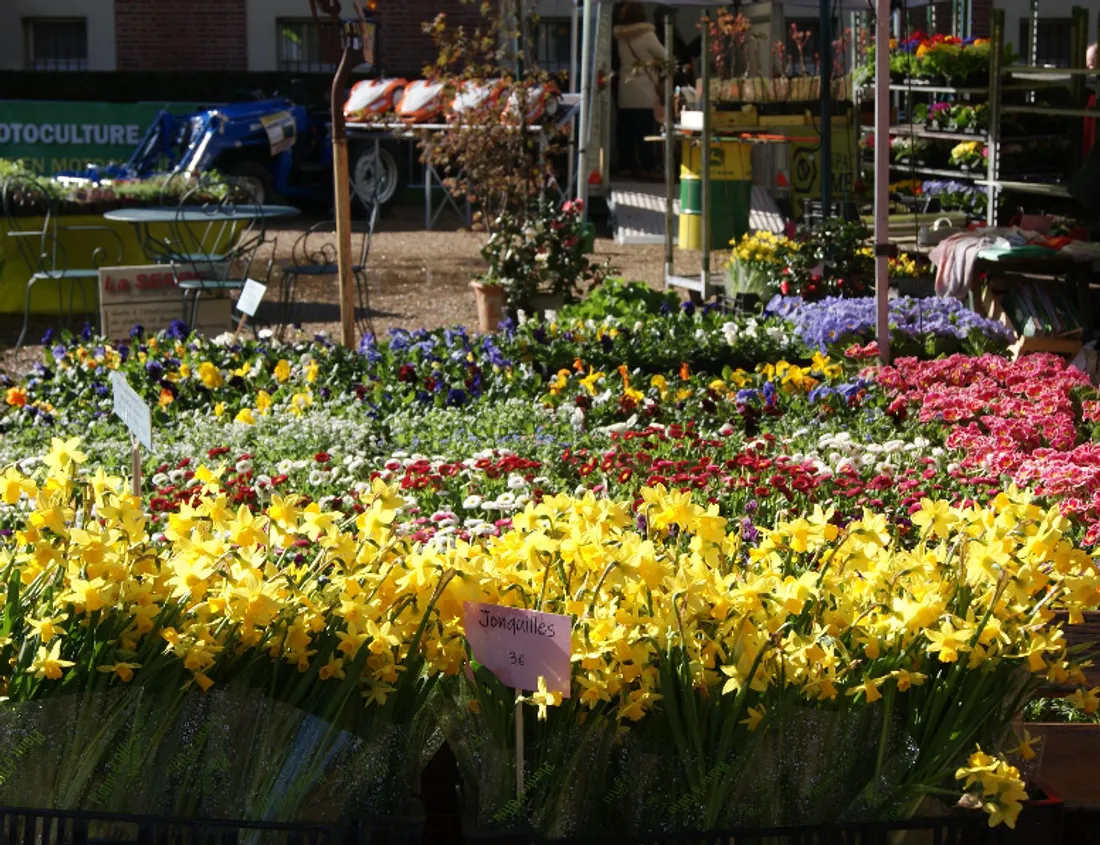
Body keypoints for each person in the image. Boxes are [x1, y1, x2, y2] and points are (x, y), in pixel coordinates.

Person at [613, 2, 666, 179]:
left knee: (626, 131)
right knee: (646, 131)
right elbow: (664, 56)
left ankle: (626, 165)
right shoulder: (647, 34)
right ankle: (647, 166)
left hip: (625, 88)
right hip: (644, 89)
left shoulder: (620, 36)